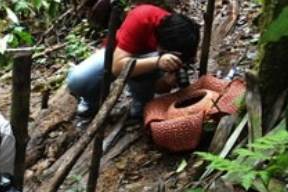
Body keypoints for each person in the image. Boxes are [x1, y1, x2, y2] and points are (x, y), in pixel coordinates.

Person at [67, 4, 200, 119]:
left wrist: (167, 82)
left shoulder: (181, 42)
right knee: (78, 80)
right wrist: (157, 61)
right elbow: (116, 67)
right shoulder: (143, 17)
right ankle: (92, 101)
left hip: (146, 63)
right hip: (117, 54)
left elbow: (160, 88)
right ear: (160, 43)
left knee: (148, 63)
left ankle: (142, 103)